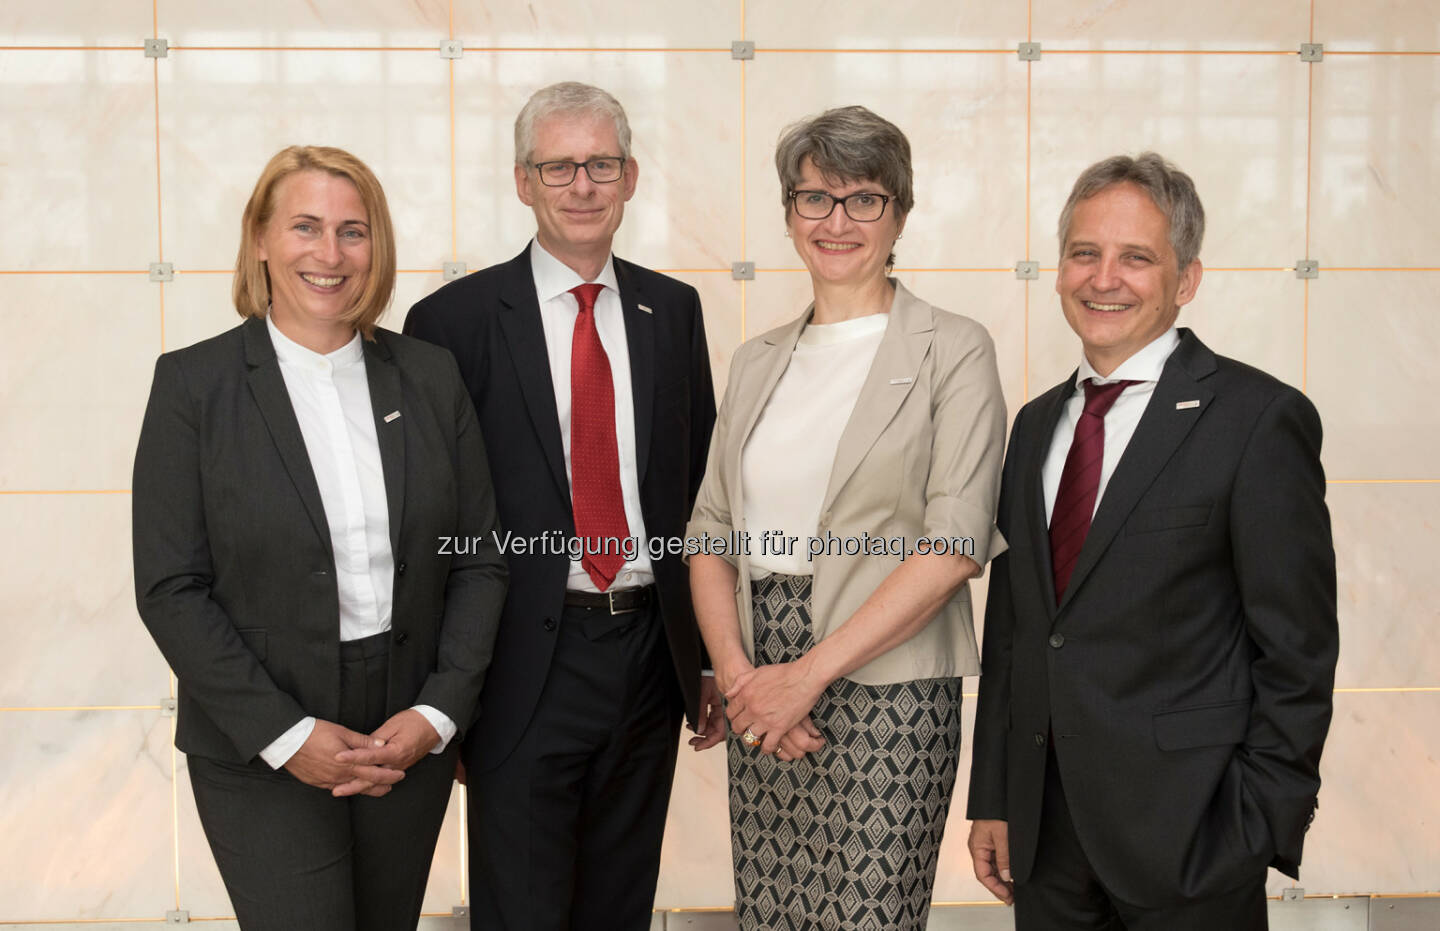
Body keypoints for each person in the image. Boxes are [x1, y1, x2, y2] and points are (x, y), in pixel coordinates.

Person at [132, 145, 507, 930]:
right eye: (305, 226)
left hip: (405, 722)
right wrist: (286, 732)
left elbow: (477, 557)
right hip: (258, 730)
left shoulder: (430, 377)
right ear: (261, 239)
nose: (329, 254)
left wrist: (439, 712)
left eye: (353, 231)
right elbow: (171, 588)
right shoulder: (192, 387)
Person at [966, 152, 1339, 930]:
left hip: (1194, 837)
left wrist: (1258, 820)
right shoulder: (1035, 425)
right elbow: (1016, 632)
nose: (1105, 278)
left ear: (1186, 279)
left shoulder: (1256, 419)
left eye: (1137, 257)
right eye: (1085, 253)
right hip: (1045, 841)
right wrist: (996, 797)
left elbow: (1297, 649)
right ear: (1060, 268)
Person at [401, 82, 723, 930]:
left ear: (631, 176)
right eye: (558, 166)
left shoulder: (673, 310)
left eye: (601, 165)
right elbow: (431, 525)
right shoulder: (450, 323)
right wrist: (449, 694)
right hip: (519, 665)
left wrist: (712, 655)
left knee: (620, 906)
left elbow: (700, 496)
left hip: (649, 656)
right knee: (523, 911)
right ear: (522, 182)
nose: (582, 185)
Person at [686, 105, 1007, 930]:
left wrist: (808, 676)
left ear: (899, 211)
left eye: (863, 198)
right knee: (770, 913)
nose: (837, 221)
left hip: (887, 688)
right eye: (814, 199)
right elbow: (711, 534)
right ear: (789, 213)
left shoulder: (954, 347)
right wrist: (741, 673)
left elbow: (954, 542)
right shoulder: (756, 360)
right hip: (762, 680)